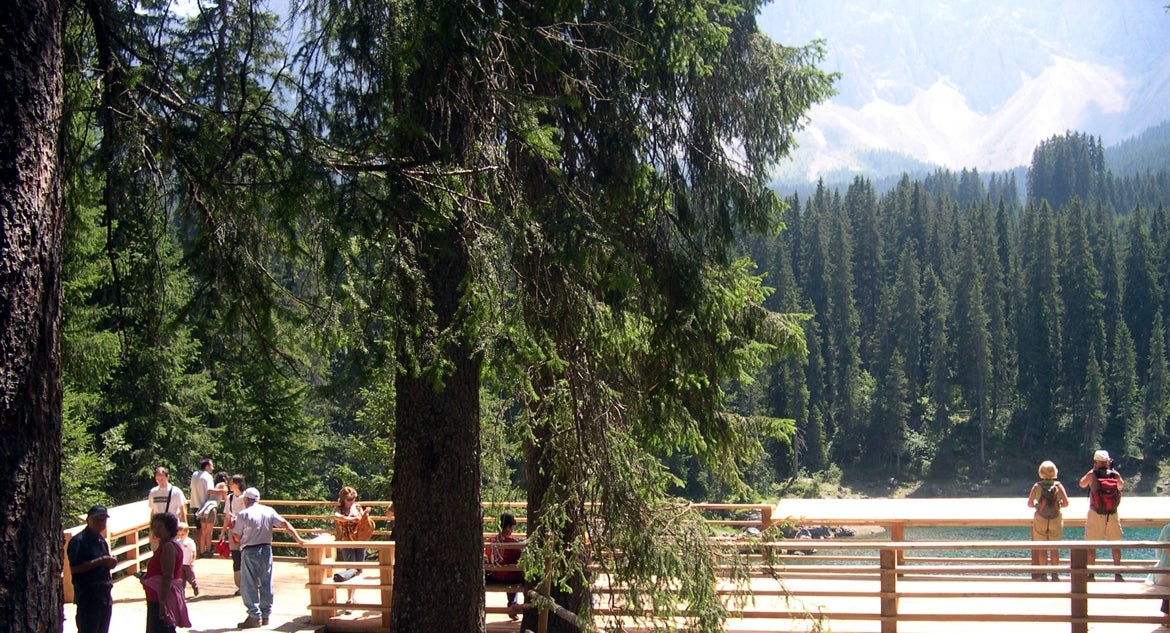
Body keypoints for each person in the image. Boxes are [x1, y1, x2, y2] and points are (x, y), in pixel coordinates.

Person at [232, 487, 306, 629]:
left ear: (246, 500)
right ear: (258, 499)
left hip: (249, 550)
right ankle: (265, 614)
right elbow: (284, 523)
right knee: (266, 581)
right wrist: (298, 539)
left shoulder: (243, 514)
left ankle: (254, 615)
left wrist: (234, 528)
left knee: (248, 584)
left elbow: (237, 536)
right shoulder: (268, 511)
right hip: (266, 549)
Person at [67, 505, 117, 633]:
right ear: (88, 520)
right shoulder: (79, 541)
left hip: (105, 594)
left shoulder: (101, 540)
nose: (101, 523)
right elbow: (74, 568)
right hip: (88, 596)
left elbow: (105, 562)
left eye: (103, 520)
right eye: (97, 520)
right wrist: (100, 561)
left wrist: (110, 562)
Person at [1079, 449, 1125, 581]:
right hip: (1112, 514)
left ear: (1095, 462)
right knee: (1115, 546)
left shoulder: (1092, 474)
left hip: (1095, 514)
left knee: (1091, 546)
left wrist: (1092, 471)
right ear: (1108, 461)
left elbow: (1082, 484)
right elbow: (1121, 486)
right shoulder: (1114, 474)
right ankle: (1117, 574)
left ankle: (1091, 574)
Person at [141, 512, 190, 633]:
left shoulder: (168, 547)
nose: (156, 530)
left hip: (161, 598)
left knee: (161, 628)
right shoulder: (164, 545)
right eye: (154, 526)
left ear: (169, 528)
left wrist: (162, 603)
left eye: (160, 526)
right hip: (155, 597)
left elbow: (168, 576)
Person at [1026, 460, 1069, 581]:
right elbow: (1066, 503)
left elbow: (1029, 504)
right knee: (1054, 549)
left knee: (1042, 549)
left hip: (1041, 518)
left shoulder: (1037, 486)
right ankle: (1055, 575)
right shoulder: (1058, 486)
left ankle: (1043, 575)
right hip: (1055, 519)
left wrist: (1038, 506)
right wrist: (1058, 504)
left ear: (1041, 472)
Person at [332, 485, 370, 610]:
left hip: (360, 541)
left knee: (358, 569)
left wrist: (365, 517)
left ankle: (352, 596)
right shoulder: (338, 508)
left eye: (353, 499)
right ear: (343, 499)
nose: (351, 501)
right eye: (349, 499)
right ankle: (349, 599)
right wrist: (351, 518)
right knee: (350, 569)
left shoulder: (358, 507)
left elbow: (364, 520)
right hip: (347, 541)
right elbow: (337, 517)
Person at [484, 512, 525, 620]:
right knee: (516, 574)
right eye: (512, 527)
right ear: (507, 527)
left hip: (493, 577)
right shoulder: (514, 544)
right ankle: (513, 607)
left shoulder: (490, 541)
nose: (512, 530)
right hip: (509, 579)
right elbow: (519, 559)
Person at [147, 467, 187, 551]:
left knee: (172, 549)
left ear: (167, 477)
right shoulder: (153, 492)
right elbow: (153, 511)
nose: (160, 481)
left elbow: (182, 511)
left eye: (162, 479)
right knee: (157, 550)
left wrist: (185, 527)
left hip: (171, 526)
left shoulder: (176, 492)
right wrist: (151, 528)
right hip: (158, 526)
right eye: (157, 479)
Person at [188, 458, 222, 558]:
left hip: (195, 505)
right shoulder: (207, 476)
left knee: (199, 530)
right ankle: (205, 551)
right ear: (207, 466)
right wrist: (222, 491)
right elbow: (209, 490)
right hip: (204, 506)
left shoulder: (195, 474)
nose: (213, 467)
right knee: (206, 531)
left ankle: (198, 551)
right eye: (211, 465)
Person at [223, 474, 248, 593]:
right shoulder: (229, 498)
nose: (229, 485)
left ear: (238, 484)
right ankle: (240, 585)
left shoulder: (247, 497)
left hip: (246, 531)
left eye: (231, 483)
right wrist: (223, 532)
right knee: (236, 556)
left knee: (247, 556)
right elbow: (227, 515)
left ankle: (252, 583)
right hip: (233, 530)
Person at [175, 523, 199, 597]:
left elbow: (194, 551)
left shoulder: (189, 542)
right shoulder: (178, 542)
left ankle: (195, 587)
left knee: (190, 578)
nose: (181, 536)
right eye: (179, 535)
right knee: (181, 580)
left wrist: (193, 561)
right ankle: (182, 593)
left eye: (182, 534)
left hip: (188, 563)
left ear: (187, 532)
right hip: (181, 563)